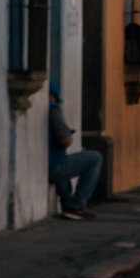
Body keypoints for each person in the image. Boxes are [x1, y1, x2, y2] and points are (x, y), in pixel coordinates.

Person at [47, 80, 103, 219]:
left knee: (62, 159)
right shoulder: (53, 109)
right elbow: (65, 140)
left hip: (45, 165)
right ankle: (76, 203)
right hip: (54, 168)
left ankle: (67, 201)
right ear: (53, 95)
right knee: (95, 158)